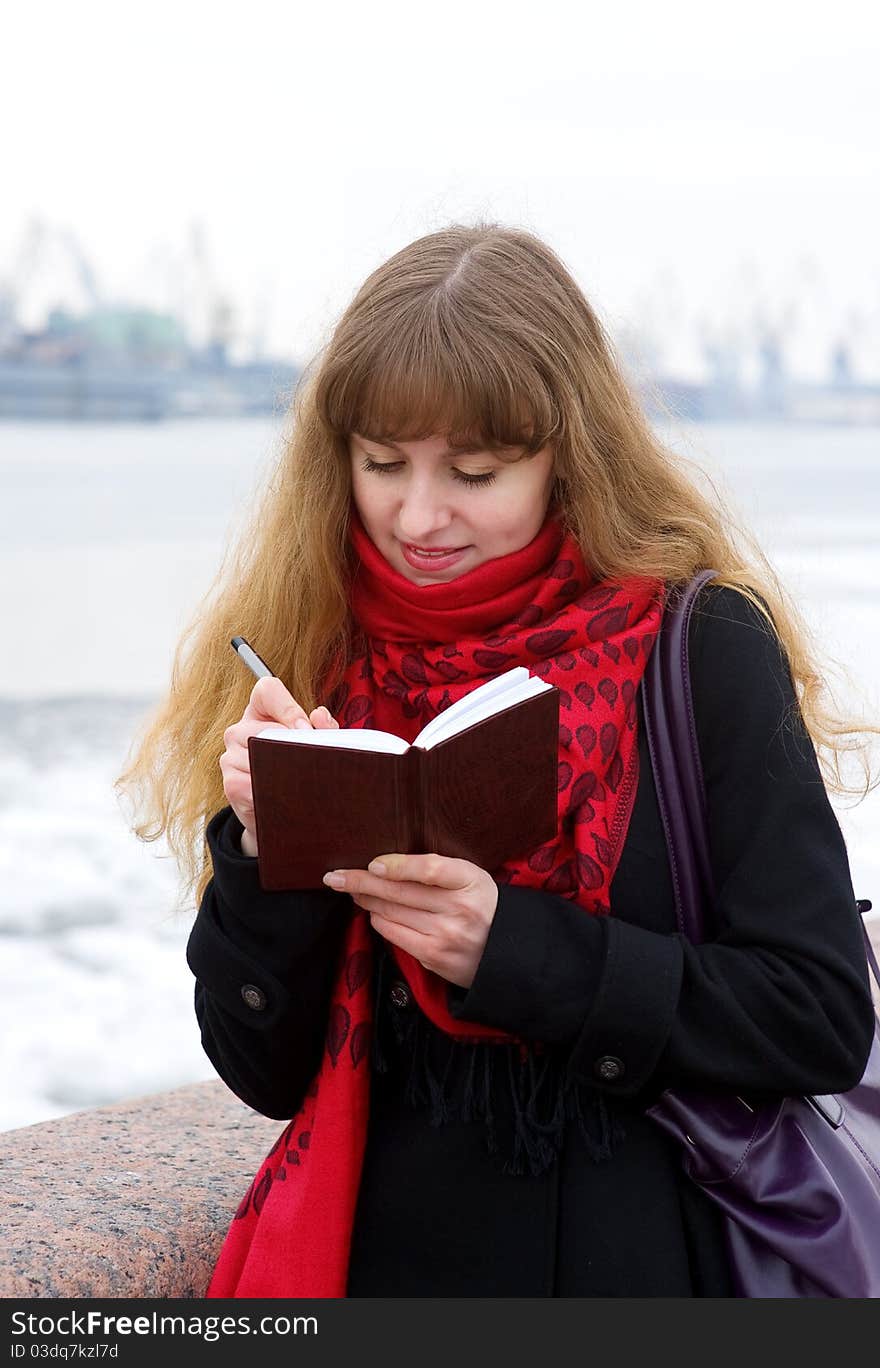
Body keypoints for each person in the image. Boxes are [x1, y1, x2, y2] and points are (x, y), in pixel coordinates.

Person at [116, 222, 878, 1298]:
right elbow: (263, 1070)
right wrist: (260, 840)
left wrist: (518, 950)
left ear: (564, 457)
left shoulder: (700, 646)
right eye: (381, 464)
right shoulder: (316, 644)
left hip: (636, 1264)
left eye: (472, 473)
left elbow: (819, 1016)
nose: (418, 515)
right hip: (381, 1264)